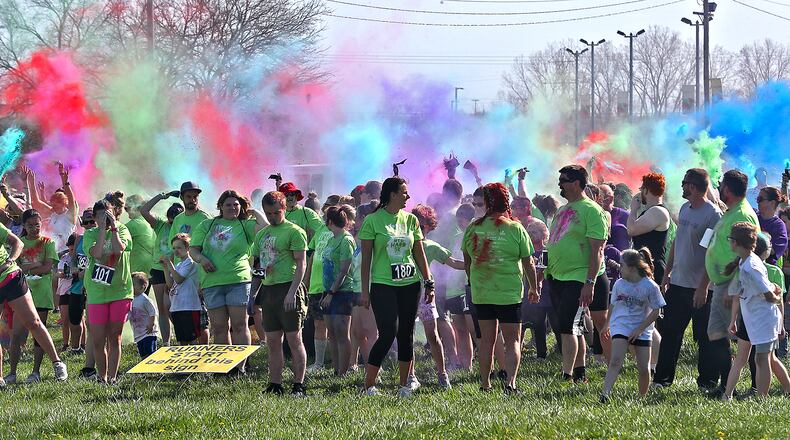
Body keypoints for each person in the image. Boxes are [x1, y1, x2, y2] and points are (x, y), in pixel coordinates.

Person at [359, 176, 434, 397]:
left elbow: (419, 255)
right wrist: (365, 291)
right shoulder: (372, 221)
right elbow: (366, 261)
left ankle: (404, 386)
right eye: (404, 192)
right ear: (392, 194)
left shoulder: (411, 220)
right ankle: (368, 386)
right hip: (383, 284)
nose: (408, 196)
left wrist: (429, 283)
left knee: (406, 334)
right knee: (387, 333)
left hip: (410, 284)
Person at [463, 183, 538, 393]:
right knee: (512, 339)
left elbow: (467, 261)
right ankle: (510, 383)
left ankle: (485, 384)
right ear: (506, 202)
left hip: (482, 292)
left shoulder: (473, 228)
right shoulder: (515, 228)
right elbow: (528, 263)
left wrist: (474, 280)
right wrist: (534, 288)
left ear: (486, 203)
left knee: (486, 340)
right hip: (509, 293)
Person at [653, 169, 723, 390]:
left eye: (684, 183)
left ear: (692, 187)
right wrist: (667, 273)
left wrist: (703, 286)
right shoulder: (685, 209)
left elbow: (711, 254)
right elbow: (677, 241)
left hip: (700, 288)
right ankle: (662, 380)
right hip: (678, 283)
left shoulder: (713, 215)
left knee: (704, 336)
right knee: (670, 333)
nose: (681, 187)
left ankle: (708, 382)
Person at [546, 165, 609, 384]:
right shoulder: (564, 209)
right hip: (558, 277)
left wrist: (589, 282)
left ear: (576, 183)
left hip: (579, 277)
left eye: (563, 180)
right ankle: (580, 372)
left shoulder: (591, 210)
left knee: (567, 326)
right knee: (576, 327)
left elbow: (597, 250)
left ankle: (567, 374)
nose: (559, 184)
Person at [190, 190, 266, 358]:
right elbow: (193, 250)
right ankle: (224, 365)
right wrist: (202, 259)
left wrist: (253, 212)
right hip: (212, 282)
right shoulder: (207, 225)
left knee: (240, 325)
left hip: (239, 281)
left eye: (236, 205)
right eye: (228, 205)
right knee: (219, 328)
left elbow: (265, 228)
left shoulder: (245, 225)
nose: (233, 208)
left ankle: (240, 365)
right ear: (220, 207)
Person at [704, 169, 760, 396]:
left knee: (719, 333)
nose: (719, 189)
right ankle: (728, 385)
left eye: (721, 186)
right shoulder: (732, 212)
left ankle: (730, 387)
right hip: (724, 283)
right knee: (718, 333)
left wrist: (734, 288)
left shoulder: (742, 215)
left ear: (727, 189)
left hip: (731, 284)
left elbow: (747, 254)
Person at [722, 222, 789, 400]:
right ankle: (727, 395)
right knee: (768, 359)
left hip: (764, 318)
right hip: (753, 318)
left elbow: (768, 292)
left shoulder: (752, 265)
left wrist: (775, 298)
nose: (730, 243)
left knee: (762, 359)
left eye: (730, 239)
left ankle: (762, 399)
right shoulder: (746, 262)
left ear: (737, 243)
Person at [251, 191, 309, 396]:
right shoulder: (261, 234)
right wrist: (253, 295)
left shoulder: (294, 231)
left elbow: (302, 264)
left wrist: (292, 292)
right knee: (273, 340)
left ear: (284, 209)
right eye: (268, 213)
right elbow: (257, 267)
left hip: (288, 287)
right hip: (269, 290)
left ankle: (298, 385)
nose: (272, 217)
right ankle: (275, 383)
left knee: (294, 338)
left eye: (276, 212)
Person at [0, 218, 67, 387]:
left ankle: (57, 363)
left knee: (33, 322)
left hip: (9, 277)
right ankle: (1, 377)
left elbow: (17, 243)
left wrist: (9, 261)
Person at [599, 248, 666, 402]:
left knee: (643, 368)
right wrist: (607, 325)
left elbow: (656, 311)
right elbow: (613, 305)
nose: (618, 267)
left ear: (631, 268)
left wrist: (640, 329)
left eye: (621, 265)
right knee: (616, 360)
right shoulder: (619, 284)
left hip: (642, 328)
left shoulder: (650, 286)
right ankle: (605, 395)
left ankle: (642, 398)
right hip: (621, 325)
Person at [411, 204, 465, 389]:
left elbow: (454, 263)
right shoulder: (404, 245)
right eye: (414, 223)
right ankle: (410, 375)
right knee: (406, 336)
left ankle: (442, 375)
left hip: (425, 295)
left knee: (432, 335)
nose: (417, 227)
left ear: (428, 226)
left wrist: (475, 263)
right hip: (406, 294)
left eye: (420, 224)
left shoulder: (431, 246)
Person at [84, 193, 133, 384]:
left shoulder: (122, 230)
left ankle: (112, 377)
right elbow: (96, 254)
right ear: (95, 218)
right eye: (101, 216)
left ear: (115, 212)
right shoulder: (89, 234)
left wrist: (112, 228)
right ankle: (101, 376)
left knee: (115, 337)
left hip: (119, 291)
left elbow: (119, 249)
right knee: (98, 339)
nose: (106, 217)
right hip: (97, 292)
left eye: (109, 214)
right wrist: (101, 228)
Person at [140, 192, 184, 347]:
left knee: (174, 305)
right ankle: (166, 342)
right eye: (171, 218)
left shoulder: (183, 227)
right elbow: (144, 210)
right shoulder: (160, 225)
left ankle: (182, 336)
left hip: (177, 269)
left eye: (176, 217)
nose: (172, 221)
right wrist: (161, 196)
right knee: (163, 307)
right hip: (158, 269)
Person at [320, 205, 358, 376]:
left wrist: (331, 293)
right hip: (328, 291)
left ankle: (343, 371)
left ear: (330, 221)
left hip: (342, 292)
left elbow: (344, 269)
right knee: (332, 333)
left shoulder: (346, 239)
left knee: (341, 332)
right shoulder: (331, 239)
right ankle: (335, 370)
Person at [305, 195, 338, 373]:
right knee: (319, 324)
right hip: (316, 286)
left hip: (333, 287)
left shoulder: (341, 233)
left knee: (335, 326)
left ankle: (339, 362)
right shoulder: (319, 233)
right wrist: (306, 280)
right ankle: (319, 363)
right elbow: (312, 257)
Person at [521, 220, 560, 360]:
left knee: (556, 323)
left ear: (544, 234)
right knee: (538, 324)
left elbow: (543, 272)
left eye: (535, 232)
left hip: (550, 292)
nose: (532, 234)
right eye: (529, 232)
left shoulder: (547, 251)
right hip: (535, 294)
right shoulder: (527, 253)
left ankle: (561, 350)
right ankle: (541, 354)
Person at [444, 203, 476, 370]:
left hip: (468, 288)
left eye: (463, 218)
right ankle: (466, 366)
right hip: (453, 289)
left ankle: (488, 366)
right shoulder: (456, 237)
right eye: (459, 218)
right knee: (460, 330)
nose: (460, 222)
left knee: (473, 329)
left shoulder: (475, 236)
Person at [22, 163, 78, 254]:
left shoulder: (70, 215)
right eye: (52, 205)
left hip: (64, 252)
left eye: (55, 205)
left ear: (63, 203)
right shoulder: (54, 213)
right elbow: (36, 202)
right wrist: (31, 182)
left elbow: (71, 200)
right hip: (50, 252)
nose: (53, 207)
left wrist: (65, 182)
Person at [628, 173, 671, 284]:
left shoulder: (658, 211)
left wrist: (633, 209)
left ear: (646, 190)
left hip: (653, 270)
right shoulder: (650, 211)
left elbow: (631, 230)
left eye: (641, 189)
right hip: (644, 268)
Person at [162, 233, 202, 345]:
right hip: (177, 307)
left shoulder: (190, 262)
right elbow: (170, 285)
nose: (176, 251)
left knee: (192, 339)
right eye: (174, 248)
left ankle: (196, 361)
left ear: (188, 248)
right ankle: (185, 362)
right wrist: (165, 268)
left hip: (189, 307)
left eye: (179, 248)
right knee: (182, 340)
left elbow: (179, 279)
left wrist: (170, 265)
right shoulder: (178, 265)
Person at [169, 181, 210, 247]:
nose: (193, 200)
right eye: (188, 197)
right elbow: (171, 245)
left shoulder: (205, 219)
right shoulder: (177, 219)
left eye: (195, 197)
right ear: (182, 198)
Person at [756, 186, 788, 266]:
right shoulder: (753, 215)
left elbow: (774, 252)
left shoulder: (779, 226)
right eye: (757, 199)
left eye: (760, 199)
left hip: (765, 267)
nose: (757, 202)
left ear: (772, 203)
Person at [128, 272, 158, 359]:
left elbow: (153, 312)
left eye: (133, 284)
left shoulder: (145, 299)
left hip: (148, 333)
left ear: (143, 287)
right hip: (138, 333)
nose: (131, 287)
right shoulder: (131, 299)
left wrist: (151, 324)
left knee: (150, 353)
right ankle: (146, 370)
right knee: (143, 354)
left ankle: (153, 369)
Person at [55, 234, 77, 352]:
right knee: (65, 320)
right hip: (64, 291)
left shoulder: (82, 258)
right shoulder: (64, 258)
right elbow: (58, 272)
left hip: (77, 290)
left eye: (75, 249)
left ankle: (80, 343)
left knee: (78, 320)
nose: (72, 251)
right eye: (71, 249)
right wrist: (61, 274)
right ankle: (65, 344)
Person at [125, 195, 156, 274]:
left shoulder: (134, 224)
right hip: (151, 269)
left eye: (126, 208)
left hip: (137, 270)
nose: (126, 211)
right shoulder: (151, 222)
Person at [599, 184, 630, 252]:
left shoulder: (625, 215)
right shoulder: (594, 215)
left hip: (622, 258)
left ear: (610, 199)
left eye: (600, 198)